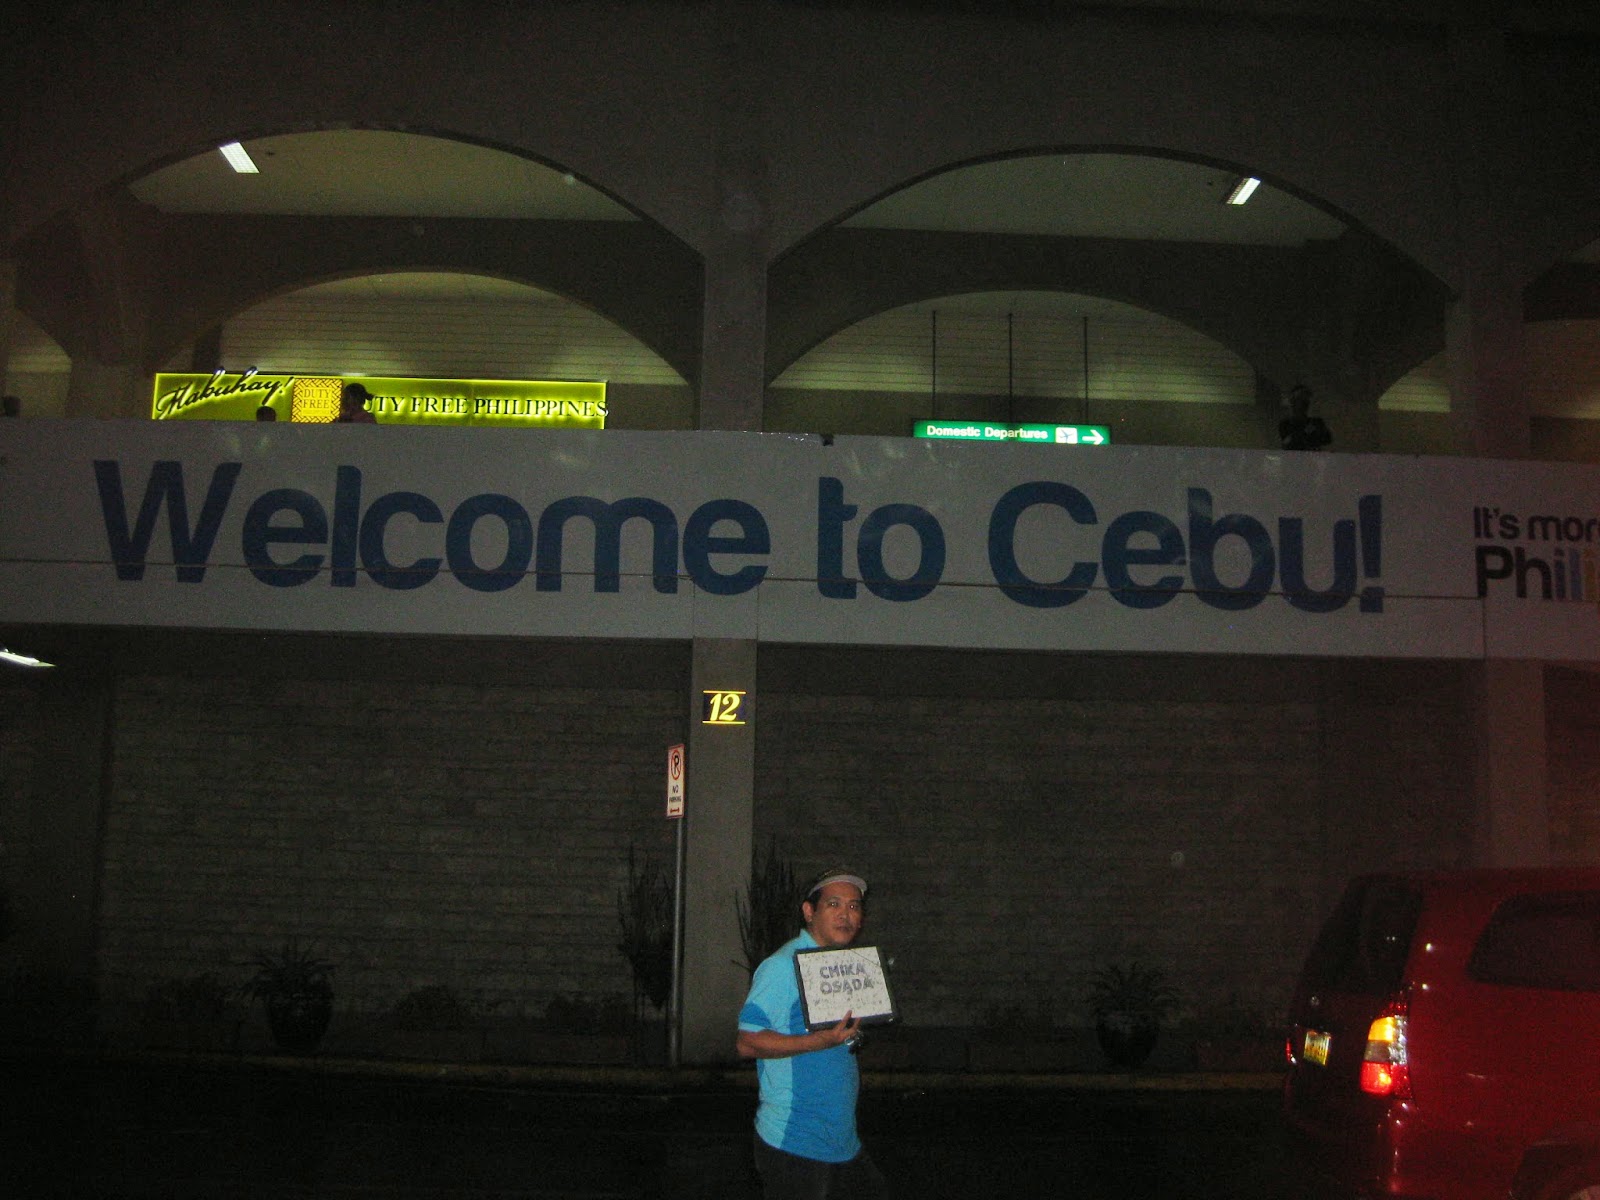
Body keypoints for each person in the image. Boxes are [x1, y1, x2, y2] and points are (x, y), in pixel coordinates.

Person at [737, 867, 889, 1199]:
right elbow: (747, 1042)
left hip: (841, 1141)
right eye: (834, 904)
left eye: (854, 906)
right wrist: (820, 1041)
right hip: (795, 1143)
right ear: (809, 912)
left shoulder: (843, 965)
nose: (845, 915)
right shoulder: (782, 967)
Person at [1279, 383, 1331, 451]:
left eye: (1306, 400)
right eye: (1299, 399)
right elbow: (1289, 443)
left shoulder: (1317, 422)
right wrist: (1306, 431)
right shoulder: (1286, 424)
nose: (1304, 403)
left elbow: (1326, 439)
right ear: (1293, 403)